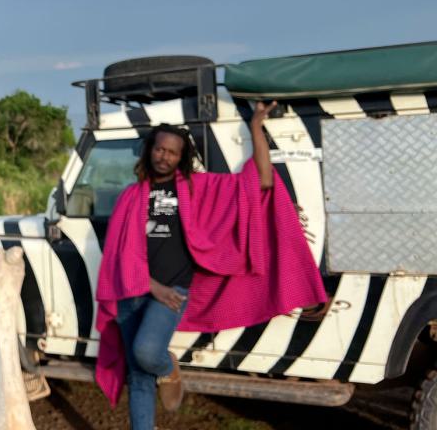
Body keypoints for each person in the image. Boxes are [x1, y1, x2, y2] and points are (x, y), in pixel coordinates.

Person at [94, 102, 327, 430]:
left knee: (147, 353)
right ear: (149, 151)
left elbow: (259, 181)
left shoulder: (195, 188)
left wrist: (256, 127)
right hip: (133, 291)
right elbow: (118, 257)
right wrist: (149, 285)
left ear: (181, 158)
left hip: (171, 292)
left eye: (172, 152)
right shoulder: (130, 196)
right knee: (138, 375)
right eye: (159, 149)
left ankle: (169, 369)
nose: (164, 156)